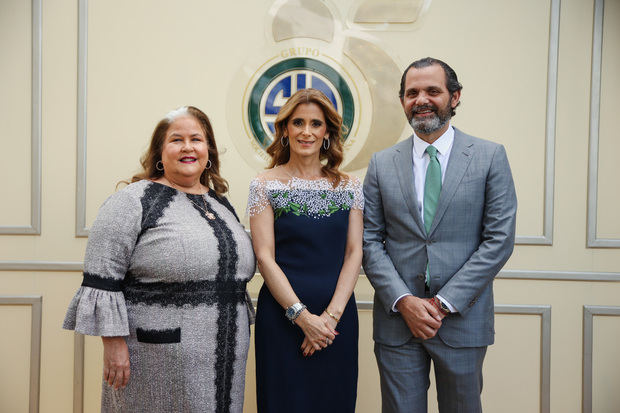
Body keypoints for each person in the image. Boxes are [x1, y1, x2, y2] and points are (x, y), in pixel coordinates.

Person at [63, 106, 255, 413]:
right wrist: (113, 345)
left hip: (226, 357)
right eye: (176, 139)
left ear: (209, 151)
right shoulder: (133, 201)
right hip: (156, 356)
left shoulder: (220, 203)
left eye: (197, 139)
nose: (188, 147)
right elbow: (102, 278)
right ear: (159, 152)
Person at [362, 57, 518, 413]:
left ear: (455, 96)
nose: (421, 99)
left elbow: (499, 240)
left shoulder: (490, 157)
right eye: (412, 92)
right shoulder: (381, 164)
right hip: (398, 323)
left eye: (433, 90)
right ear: (402, 100)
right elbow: (369, 241)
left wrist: (442, 303)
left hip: (463, 320)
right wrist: (404, 300)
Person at [247, 88, 363, 412]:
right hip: (282, 319)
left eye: (316, 123)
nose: (306, 131)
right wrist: (302, 318)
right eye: (298, 122)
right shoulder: (264, 184)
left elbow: (354, 252)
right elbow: (264, 257)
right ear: (285, 129)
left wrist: (328, 319)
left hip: (336, 322)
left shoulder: (350, 186)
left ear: (327, 132)